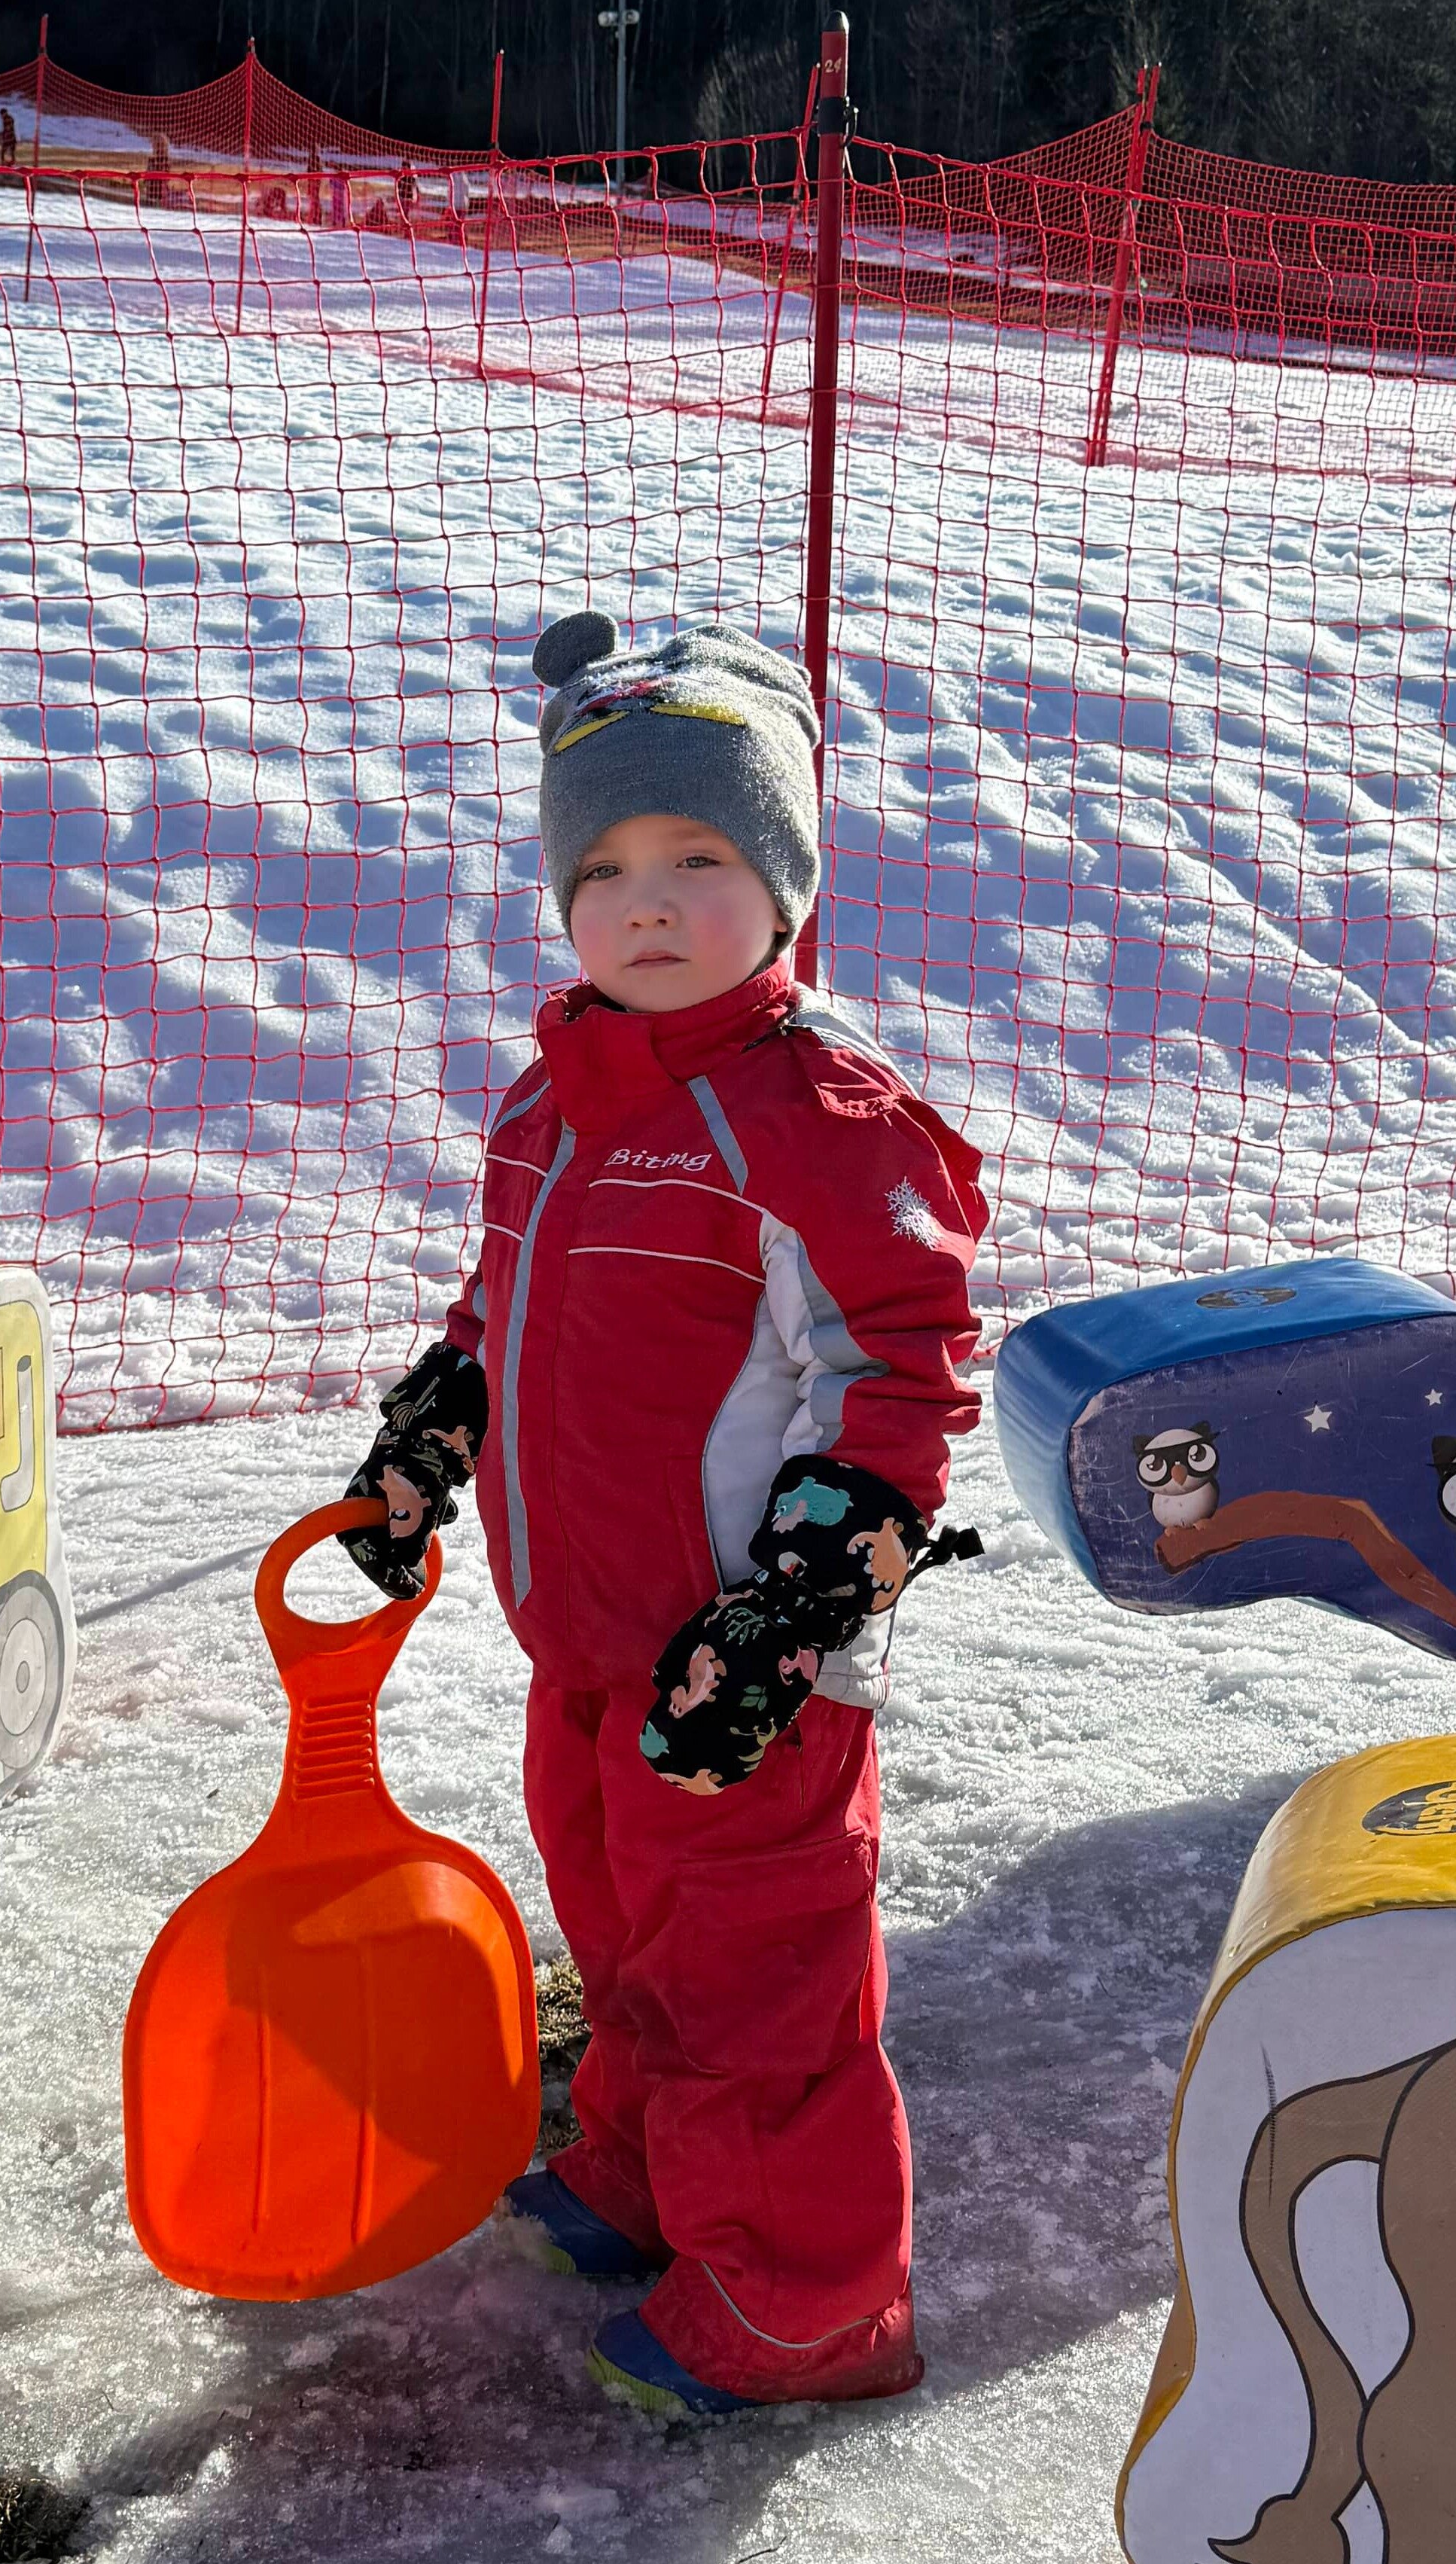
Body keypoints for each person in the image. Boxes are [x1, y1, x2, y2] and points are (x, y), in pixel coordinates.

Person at [344, 613, 985, 2422]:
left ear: (782, 886)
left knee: (760, 1984)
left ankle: (806, 2308)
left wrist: (787, 1617)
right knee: (625, 1935)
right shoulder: (553, 1098)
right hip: (591, 1644)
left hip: (742, 1665)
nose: (648, 899)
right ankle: (644, 2182)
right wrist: (431, 1432)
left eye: (700, 858)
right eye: (607, 865)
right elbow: (505, 1309)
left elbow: (899, 1370)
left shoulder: (818, 1116)